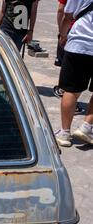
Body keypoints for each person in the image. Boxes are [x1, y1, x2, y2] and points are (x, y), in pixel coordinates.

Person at [55, 0, 93, 147]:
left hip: (79, 42)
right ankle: (86, 126)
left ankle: (64, 133)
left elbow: (67, 14)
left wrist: (63, 35)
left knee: (71, 90)